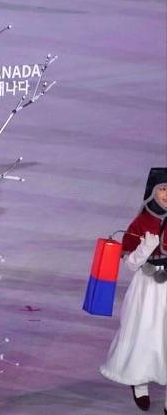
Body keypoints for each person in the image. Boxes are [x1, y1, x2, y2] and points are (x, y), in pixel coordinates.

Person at [99, 168, 166, 412]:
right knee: (144, 333)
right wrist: (145, 248)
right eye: (163, 189)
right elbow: (130, 264)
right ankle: (139, 382)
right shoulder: (141, 222)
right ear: (153, 192)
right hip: (147, 289)